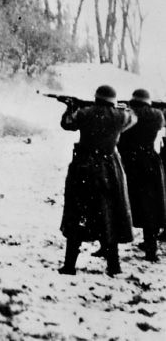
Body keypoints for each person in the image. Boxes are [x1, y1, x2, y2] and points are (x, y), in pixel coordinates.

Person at [59, 85, 137, 276]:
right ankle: (114, 266)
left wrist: (72, 107)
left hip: (83, 167)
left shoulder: (84, 113)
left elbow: (67, 124)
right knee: (109, 215)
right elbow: (132, 119)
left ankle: (70, 266)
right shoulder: (120, 116)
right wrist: (120, 108)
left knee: (78, 214)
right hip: (109, 168)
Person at [117, 89, 166, 262]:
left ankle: (108, 247)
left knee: (120, 203)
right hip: (149, 162)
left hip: (128, 162)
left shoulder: (128, 115)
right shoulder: (158, 115)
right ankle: (151, 250)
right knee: (149, 206)